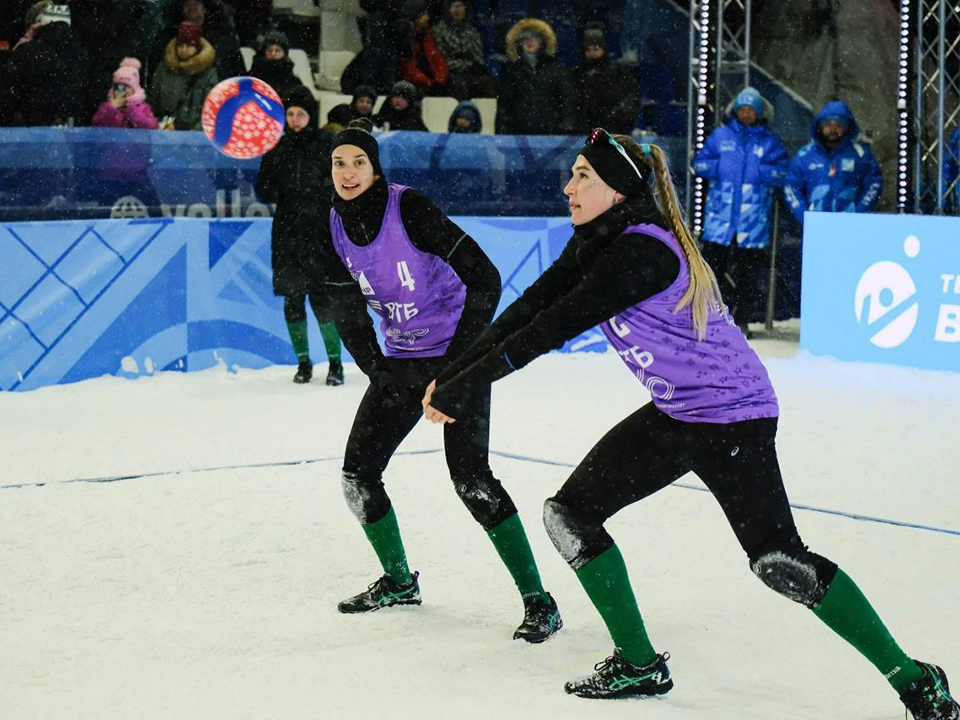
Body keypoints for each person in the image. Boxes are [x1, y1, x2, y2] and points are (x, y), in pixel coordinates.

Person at [420, 128, 959, 719]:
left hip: (733, 417)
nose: (568, 186)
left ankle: (915, 680)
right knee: (570, 514)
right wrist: (453, 376)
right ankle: (639, 664)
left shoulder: (640, 251)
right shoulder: (596, 241)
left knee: (778, 561)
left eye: (583, 177)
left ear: (618, 191)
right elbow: (527, 310)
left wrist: (463, 386)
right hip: (679, 410)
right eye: (573, 173)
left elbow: (553, 327)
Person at [315, 118, 563, 642]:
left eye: (359, 162)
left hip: (459, 354)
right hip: (402, 359)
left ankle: (539, 601)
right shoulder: (332, 223)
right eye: (339, 162)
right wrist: (376, 369)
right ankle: (400, 582)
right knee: (357, 475)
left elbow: (486, 278)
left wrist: (458, 368)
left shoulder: (409, 208)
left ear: (375, 168)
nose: (348, 172)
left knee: (471, 480)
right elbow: (347, 309)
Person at [255, 86, 344, 386]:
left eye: (301, 114)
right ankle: (303, 363)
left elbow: (338, 186)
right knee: (293, 298)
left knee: (322, 299)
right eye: (290, 113)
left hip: (319, 234)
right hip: (286, 233)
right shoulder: (276, 146)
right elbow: (263, 191)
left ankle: (335, 364)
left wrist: (319, 194)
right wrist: (270, 170)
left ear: (312, 116)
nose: (294, 119)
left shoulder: (325, 144)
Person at [693, 86, 788, 336]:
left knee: (749, 276)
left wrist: (761, 173)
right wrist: (719, 168)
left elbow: (783, 173)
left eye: (750, 110)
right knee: (711, 272)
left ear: (758, 114)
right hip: (719, 221)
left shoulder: (769, 141)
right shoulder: (720, 136)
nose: (746, 114)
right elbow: (699, 164)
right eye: (742, 109)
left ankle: (741, 319)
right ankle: (712, 318)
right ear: (735, 111)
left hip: (753, 223)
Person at [783, 100, 883, 227]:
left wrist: (860, 212)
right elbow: (791, 186)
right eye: (828, 124)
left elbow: (874, 183)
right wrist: (804, 216)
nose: (833, 129)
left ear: (847, 127)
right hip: (815, 226)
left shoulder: (861, 154)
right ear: (820, 126)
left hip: (850, 226)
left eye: (838, 125)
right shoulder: (805, 155)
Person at [0, 2, 91, 127]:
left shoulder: (30, 52)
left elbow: (5, 101)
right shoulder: (83, 56)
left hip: (28, 137)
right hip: (70, 138)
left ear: (37, 25)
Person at [495, 18, 574, 136]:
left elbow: (566, 97)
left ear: (542, 41)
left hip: (551, 133)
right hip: (519, 135)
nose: (529, 42)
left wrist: (566, 124)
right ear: (519, 43)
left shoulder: (556, 67)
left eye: (534, 38)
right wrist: (502, 133)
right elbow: (504, 105)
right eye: (525, 38)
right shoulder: (512, 70)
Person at [147, 21, 217, 131]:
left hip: (194, 135)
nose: (184, 49)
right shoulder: (165, 68)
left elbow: (211, 110)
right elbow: (154, 101)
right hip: (164, 130)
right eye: (180, 45)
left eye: (189, 45)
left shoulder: (208, 73)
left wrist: (195, 133)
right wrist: (158, 124)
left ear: (197, 47)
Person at [571, 22, 639, 135]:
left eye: (596, 48)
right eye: (588, 49)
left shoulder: (619, 73)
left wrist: (616, 119)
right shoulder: (576, 75)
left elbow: (630, 101)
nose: (592, 53)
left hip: (612, 133)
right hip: (581, 135)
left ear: (604, 49)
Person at [431, 0, 497, 99]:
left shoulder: (472, 31)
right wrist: (465, 65)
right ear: (448, 9)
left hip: (470, 73)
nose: (457, 10)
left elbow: (478, 58)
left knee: (488, 84)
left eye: (461, 6)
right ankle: (462, 113)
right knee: (459, 85)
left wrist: (474, 67)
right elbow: (442, 59)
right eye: (454, 6)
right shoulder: (439, 30)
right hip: (449, 73)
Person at [396, 0, 451, 97]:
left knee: (454, 84)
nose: (427, 17)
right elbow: (409, 71)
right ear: (415, 18)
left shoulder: (426, 34)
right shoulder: (405, 38)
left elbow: (438, 59)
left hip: (432, 81)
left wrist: (440, 79)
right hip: (417, 83)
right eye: (423, 15)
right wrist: (429, 83)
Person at [91, 57, 159, 129]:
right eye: (118, 86)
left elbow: (152, 125)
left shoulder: (142, 108)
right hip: (111, 139)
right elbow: (96, 123)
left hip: (134, 140)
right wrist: (111, 108)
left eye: (127, 86)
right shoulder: (107, 106)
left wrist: (130, 110)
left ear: (134, 90)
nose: (122, 90)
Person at [248, 28, 303, 98]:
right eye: (270, 50)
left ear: (284, 53)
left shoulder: (293, 81)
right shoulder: (254, 76)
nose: (273, 53)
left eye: (277, 50)